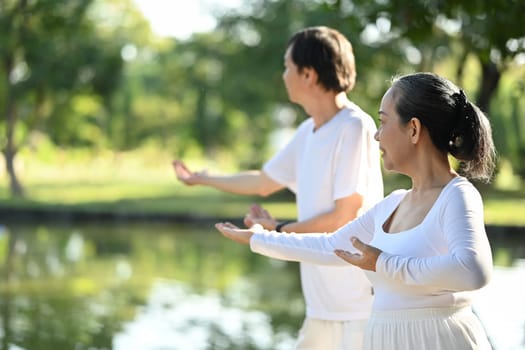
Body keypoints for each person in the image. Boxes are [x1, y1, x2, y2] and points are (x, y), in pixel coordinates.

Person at [215, 72, 496, 350]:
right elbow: (329, 246)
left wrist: (384, 263)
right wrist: (258, 238)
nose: (376, 135)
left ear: (413, 128)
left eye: (383, 122)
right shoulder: (392, 204)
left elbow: (473, 271)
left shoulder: (456, 196)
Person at [173, 26, 384, 349]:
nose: (283, 75)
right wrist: (204, 178)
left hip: (356, 306)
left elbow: (345, 216)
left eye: (287, 67)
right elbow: (263, 181)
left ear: (308, 74)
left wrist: (278, 230)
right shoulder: (307, 131)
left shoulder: (354, 126)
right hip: (320, 305)